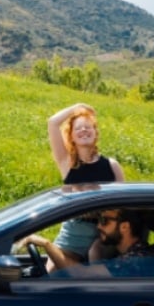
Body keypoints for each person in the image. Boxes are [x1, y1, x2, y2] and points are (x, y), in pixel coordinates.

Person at [37, 104, 125, 270]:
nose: (84, 130)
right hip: (73, 234)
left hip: (103, 234)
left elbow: (125, 206)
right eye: (78, 128)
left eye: (88, 127)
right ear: (71, 136)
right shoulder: (66, 163)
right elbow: (53, 123)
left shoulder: (112, 165)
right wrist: (77, 107)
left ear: (96, 133)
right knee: (51, 273)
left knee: (95, 255)